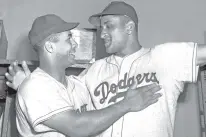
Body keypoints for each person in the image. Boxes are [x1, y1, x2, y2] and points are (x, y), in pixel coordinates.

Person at [6, 1, 205, 137]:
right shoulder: (94, 71)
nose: (102, 34)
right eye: (101, 28)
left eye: (108, 26)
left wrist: (26, 83)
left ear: (129, 27)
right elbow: (58, 98)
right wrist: (27, 85)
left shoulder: (164, 56)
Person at [11, 14, 162, 137]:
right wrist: (127, 104)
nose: (75, 44)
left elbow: (100, 112)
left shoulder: (77, 84)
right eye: (69, 38)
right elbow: (77, 127)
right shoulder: (34, 87)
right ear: (50, 47)